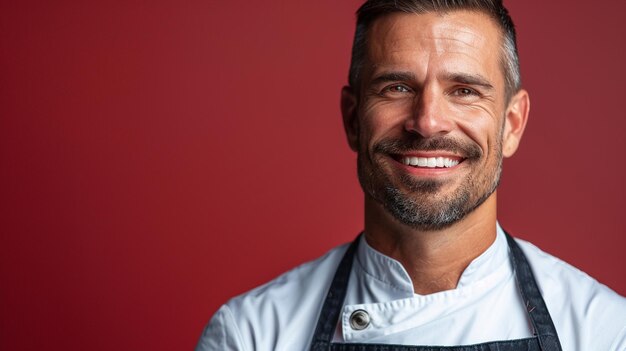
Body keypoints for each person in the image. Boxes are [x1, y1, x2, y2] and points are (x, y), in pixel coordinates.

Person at [196, 0, 626, 350]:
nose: (427, 121)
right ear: (352, 118)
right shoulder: (250, 335)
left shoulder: (605, 333)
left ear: (512, 124)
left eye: (464, 91)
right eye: (397, 88)